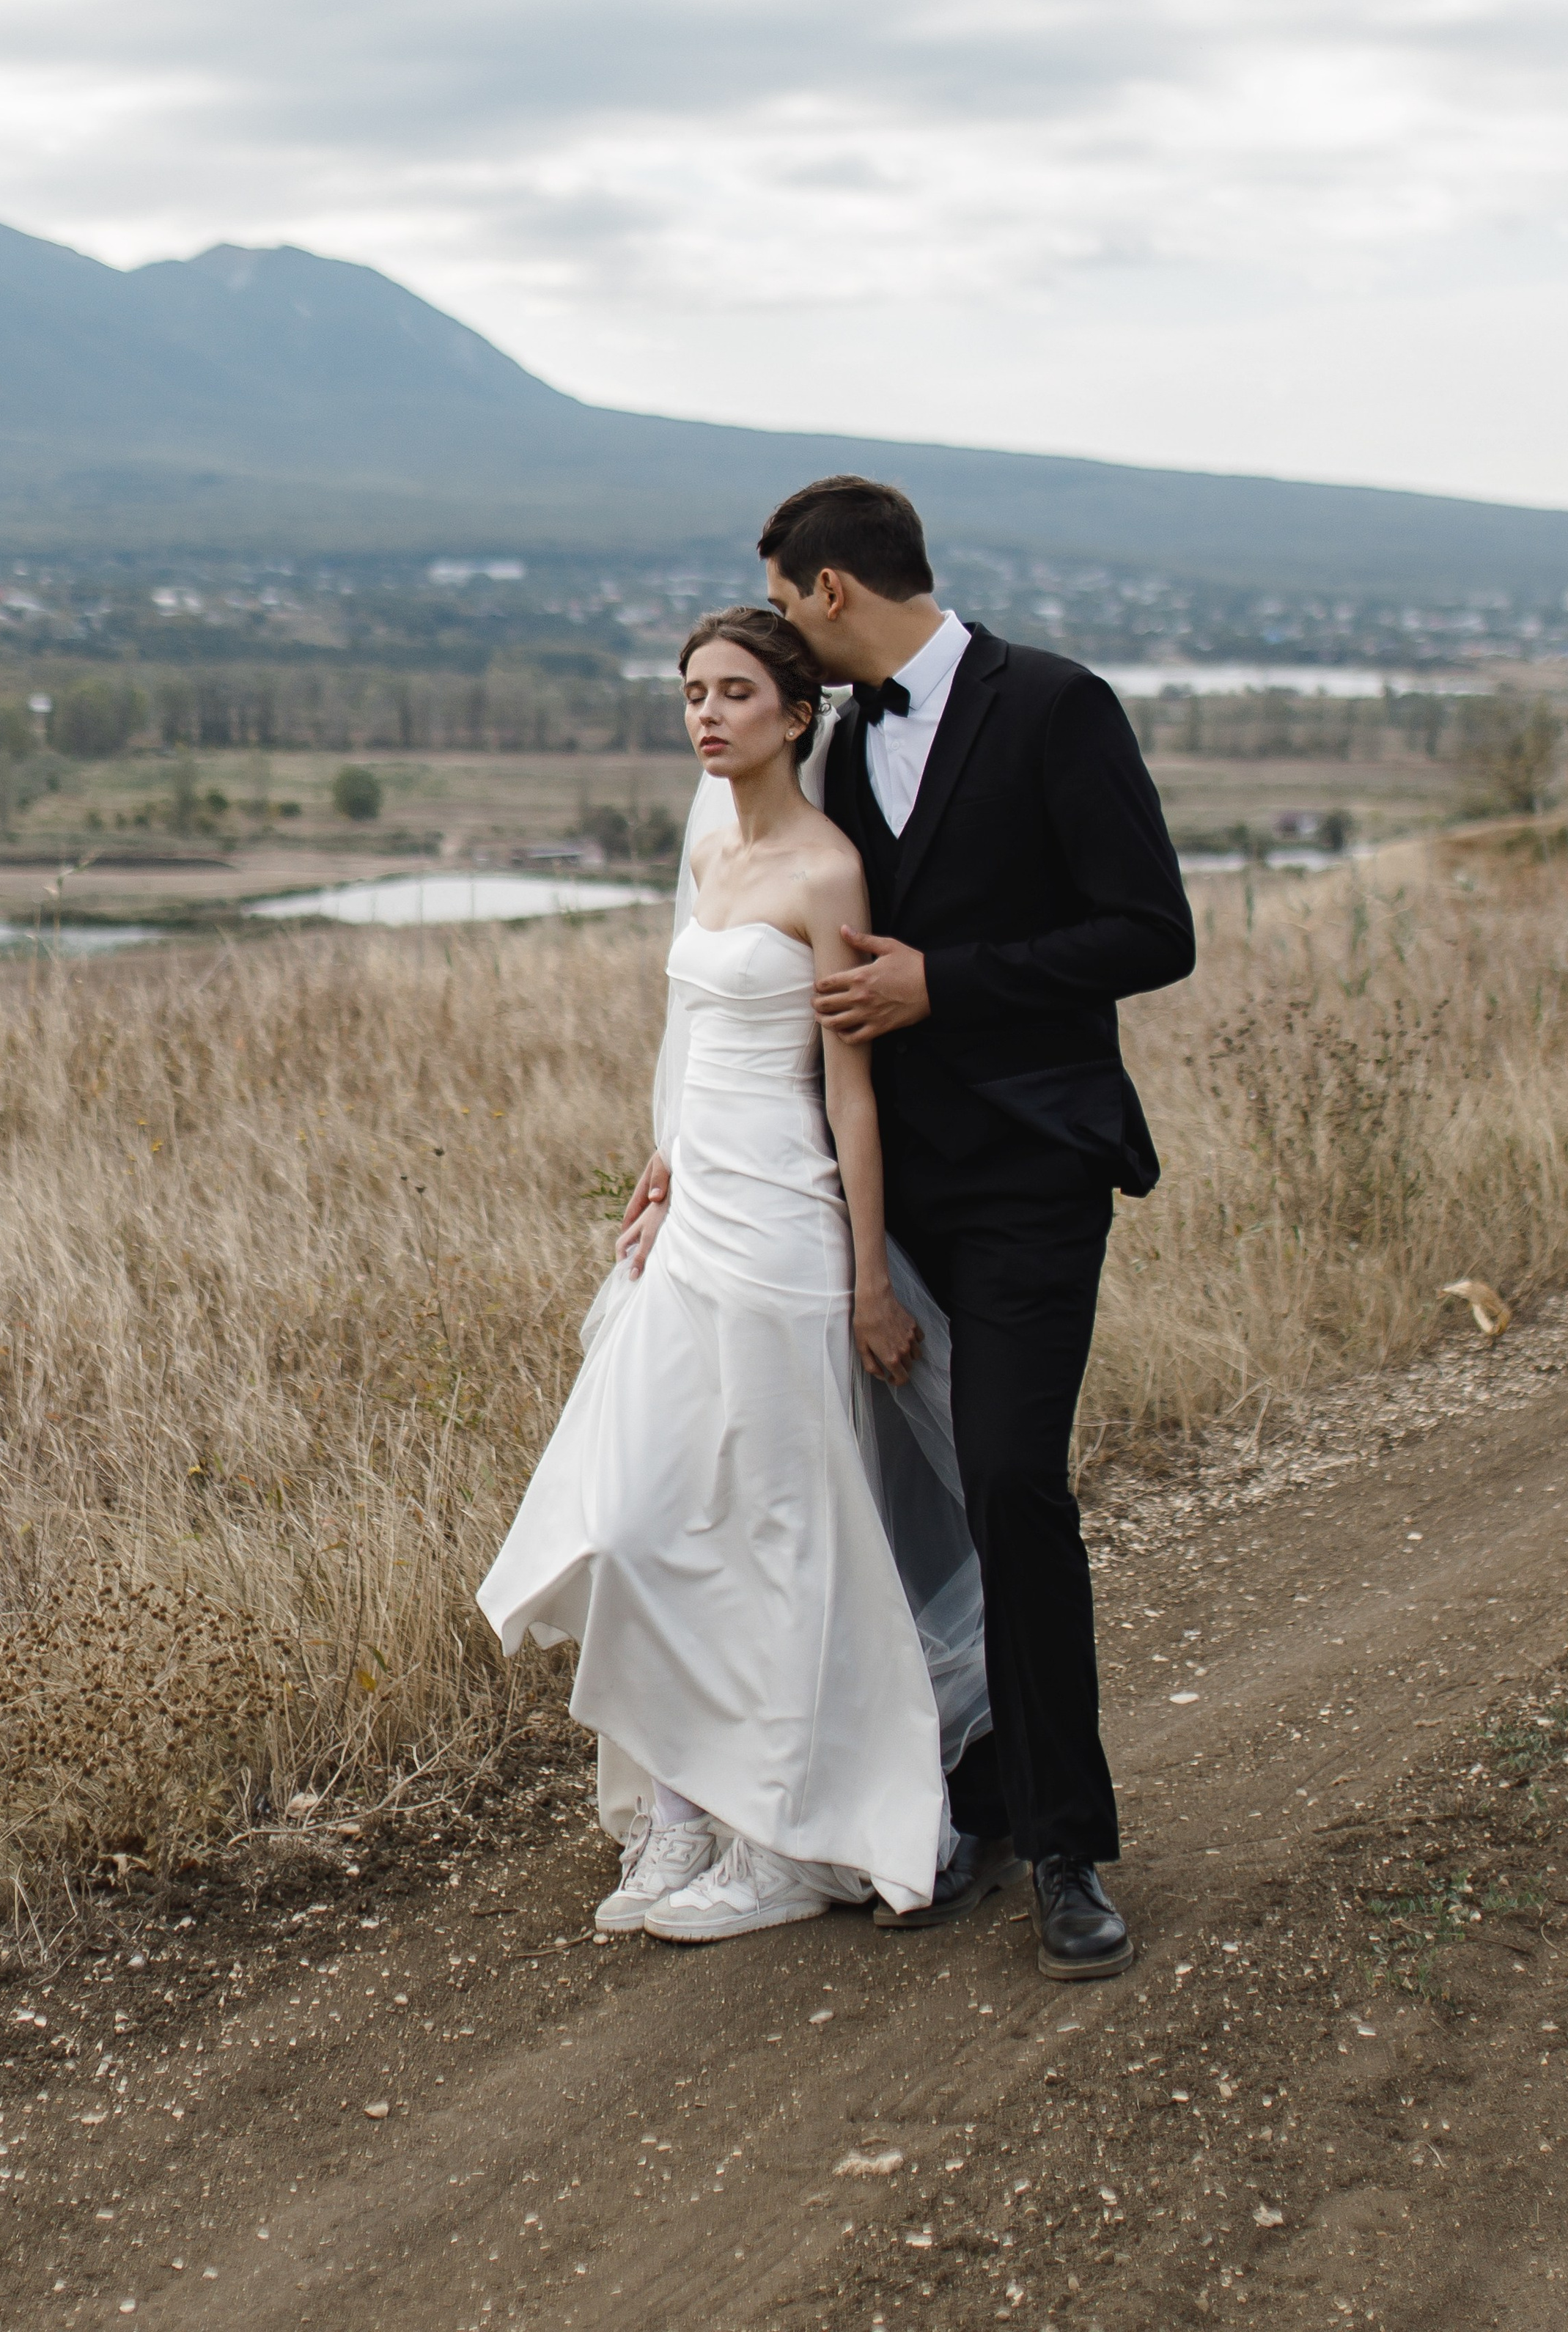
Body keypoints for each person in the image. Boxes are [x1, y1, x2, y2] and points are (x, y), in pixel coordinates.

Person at [761, 474, 1195, 1980]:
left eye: (779, 598)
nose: (779, 630)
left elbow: (1152, 931)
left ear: (829, 591)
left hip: (1025, 1175)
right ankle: (950, 1786)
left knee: (1012, 1483)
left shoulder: (1057, 707)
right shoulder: (828, 746)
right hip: (868, 1191)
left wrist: (944, 980)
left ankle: (1066, 1843)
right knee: (881, 1506)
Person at [478, 607, 954, 1941]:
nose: (707, 714)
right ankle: (677, 1808)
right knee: (639, 1519)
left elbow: (851, 1094)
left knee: (778, 1533)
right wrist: (663, 1157)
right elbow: (692, 1040)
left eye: (736, 692)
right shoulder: (710, 858)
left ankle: (779, 1831)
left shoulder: (827, 872)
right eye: (692, 692)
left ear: (797, 714)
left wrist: (870, 1278)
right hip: (691, 1235)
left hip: (789, 1236)